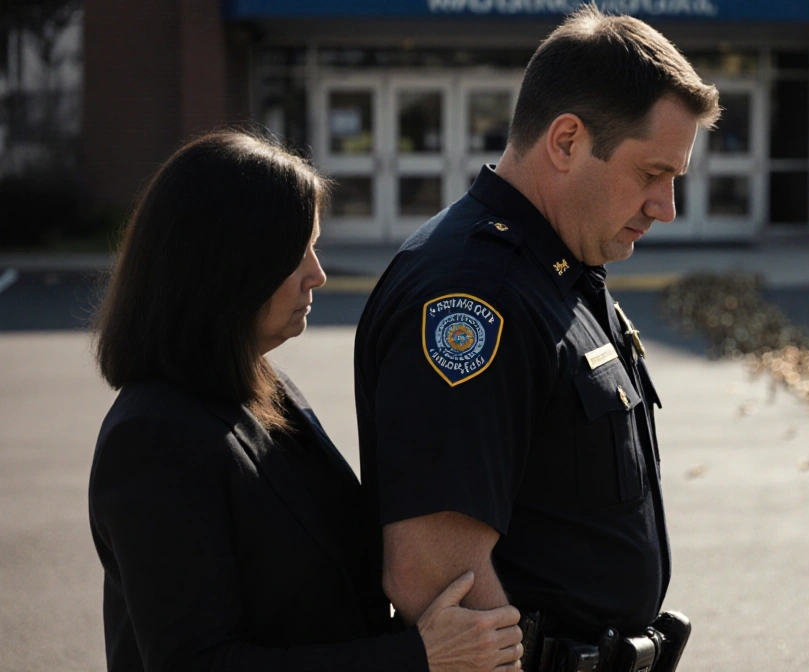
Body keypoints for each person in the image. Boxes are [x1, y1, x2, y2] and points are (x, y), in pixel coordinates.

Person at [354, 7, 720, 669]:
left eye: (675, 179)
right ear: (567, 142)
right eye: (651, 174)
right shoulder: (472, 291)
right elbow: (436, 573)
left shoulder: (559, 268)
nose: (666, 207)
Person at [88, 130, 523, 672]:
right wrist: (417, 656)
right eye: (297, 252)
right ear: (224, 266)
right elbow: (195, 661)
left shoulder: (258, 385)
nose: (316, 275)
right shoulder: (153, 437)